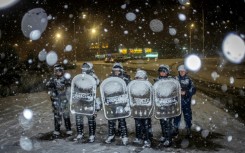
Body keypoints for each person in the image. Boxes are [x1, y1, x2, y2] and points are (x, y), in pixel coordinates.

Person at [105, 62, 130, 145]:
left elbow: (128, 89)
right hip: (112, 102)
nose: (116, 72)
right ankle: (111, 135)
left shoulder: (126, 78)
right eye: (115, 70)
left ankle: (124, 136)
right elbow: (106, 89)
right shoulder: (110, 78)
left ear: (121, 70)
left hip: (121, 102)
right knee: (111, 120)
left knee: (122, 120)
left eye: (118, 71)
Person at [74, 62, 101, 143]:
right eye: (83, 67)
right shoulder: (79, 77)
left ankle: (92, 135)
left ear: (90, 68)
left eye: (86, 67)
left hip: (90, 100)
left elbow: (97, 83)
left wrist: (90, 77)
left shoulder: (93, 76)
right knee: (78, 117)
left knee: (91, 118)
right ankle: (80, 133)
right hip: (80, 100)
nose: (84, 69)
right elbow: (75, 86)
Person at [46, 64, 72, 139]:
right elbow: (48, 87)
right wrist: (52, 92)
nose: (58, 72)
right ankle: (57, 129)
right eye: (56, 71)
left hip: (64, 100)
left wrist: (66, 90)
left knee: (66, 115)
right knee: (57, 116)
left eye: (59, 71)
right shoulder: (52, 79)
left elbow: (70, 87)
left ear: (62, 71)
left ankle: (68, 129)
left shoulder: (66, 79)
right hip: (56, 100)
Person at [153, 64, 174, 147]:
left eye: (164, 72)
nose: (162, 73)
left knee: (168, 122)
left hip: (168, 104)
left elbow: (174, 91)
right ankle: (164, 135)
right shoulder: (157, 81)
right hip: (160, 104)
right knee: (162, 121)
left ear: (167, 73)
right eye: (161, 72)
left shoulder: (171, 81)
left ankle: (169, 139)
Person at [173, 64, 196, 138]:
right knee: (176, 116)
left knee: (188, 116)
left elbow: (193, 89)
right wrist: (176, 92)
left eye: (183, 71)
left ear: (186, 72)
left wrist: (186, 92)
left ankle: (188, 129)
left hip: (186, 102)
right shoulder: (175, 79)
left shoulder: (189, 80)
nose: (182, 72)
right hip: (177, 102)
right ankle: (175, 129)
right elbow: (171, 89)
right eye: (180, 71)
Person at [133, 69, 152, 148]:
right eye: (138, 78)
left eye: (141, 78)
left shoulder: (148, 86)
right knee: (137, 124)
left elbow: (151, 96)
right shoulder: (133, 86)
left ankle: (147, 139)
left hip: (146, 108)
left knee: (146, 124)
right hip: (137, 108)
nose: (139, 79)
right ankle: (138, 137)